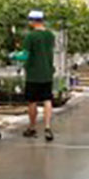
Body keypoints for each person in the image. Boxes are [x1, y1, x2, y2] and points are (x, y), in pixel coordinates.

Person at [21, 9, 56, 142]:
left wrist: (13, 55)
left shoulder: (30, 37)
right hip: (47, 72)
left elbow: (25, 55)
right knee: (47, 100)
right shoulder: (50, 35)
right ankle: (47, 127)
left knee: (32, 101)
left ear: (32, 21)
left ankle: (32, 127)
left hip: (33, 74)